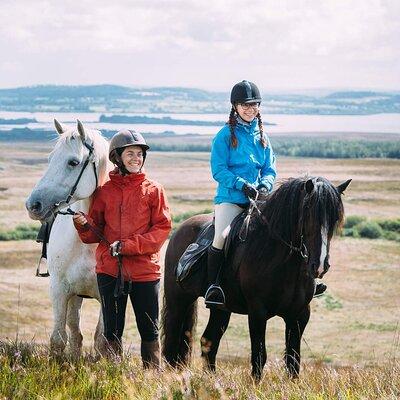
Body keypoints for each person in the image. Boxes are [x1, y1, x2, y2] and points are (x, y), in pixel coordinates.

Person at [204, 80, 326, 308]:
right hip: (231, 200)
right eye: (244, 105)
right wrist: (242, 185)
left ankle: (306, 281)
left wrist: (265, 185)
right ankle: (215, 286)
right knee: (221, 235)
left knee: (289, 230)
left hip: (259, 200)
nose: (250, 109)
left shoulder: (262, 135)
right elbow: (218, 170)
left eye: (254, 105)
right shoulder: (223, 136)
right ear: (235, 106)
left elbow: (270, 168)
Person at [73, 130, 171, 368]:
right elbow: (92, 233)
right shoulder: (105, 191)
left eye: (139, 154)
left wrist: (127, 246)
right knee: (112, 331)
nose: (136, 158)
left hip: (145, 272)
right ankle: (113, 375)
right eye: (130, 154)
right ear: (117, 157)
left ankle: (151, 376)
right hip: (109, 272)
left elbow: (162, 230)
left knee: (149, 329)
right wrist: (84, 225)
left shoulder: (154, 190)